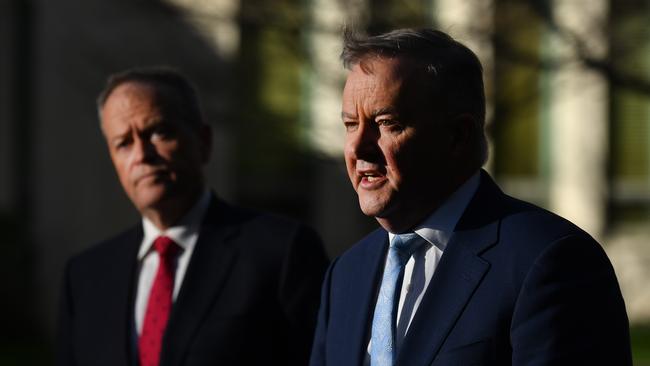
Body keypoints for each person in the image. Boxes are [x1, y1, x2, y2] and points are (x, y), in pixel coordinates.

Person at [310, 28, 631, 366]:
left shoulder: (550, 261)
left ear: (457, 136)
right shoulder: (346, 274)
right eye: (350, 125)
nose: (358, 148)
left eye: (387, 123)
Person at [57, 67, 329, 366]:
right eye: (124, 143)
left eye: (159, 132)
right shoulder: (85, 278)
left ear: (203, 141)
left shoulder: (281, 251)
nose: (142, 155)